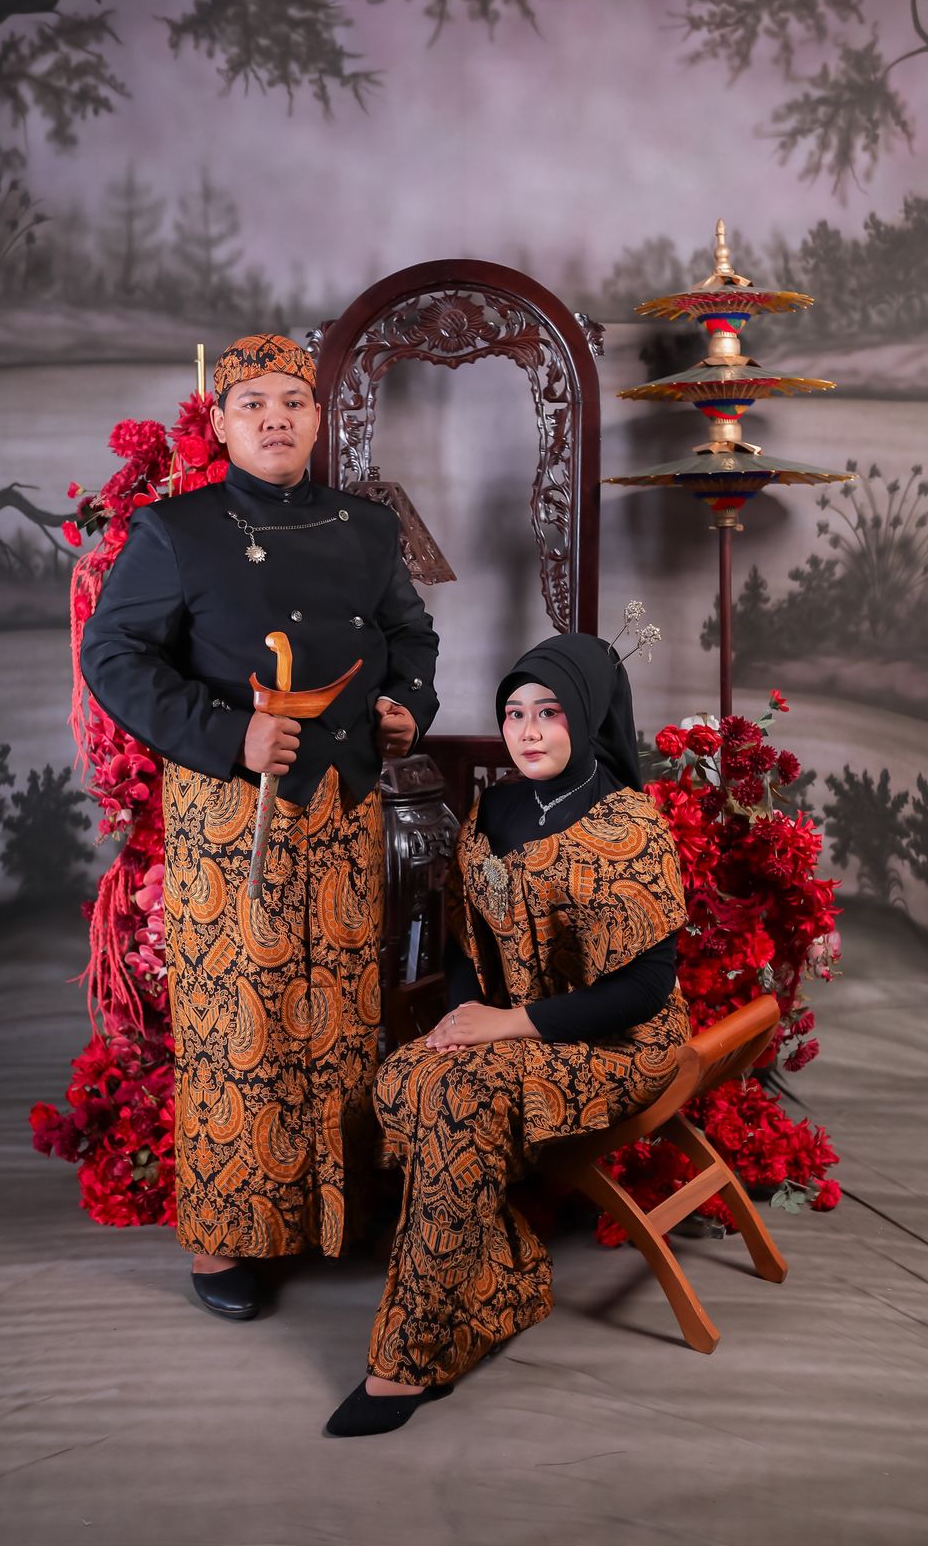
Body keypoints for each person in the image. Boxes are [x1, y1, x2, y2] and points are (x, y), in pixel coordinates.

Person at [81, 334, 439, 1319]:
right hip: (234, 811)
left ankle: (334, 1213)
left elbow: (410, 634)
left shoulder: (368, 525)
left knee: (343, 1009)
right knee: (240, 1022)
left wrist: (407, 702)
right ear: (222, 420)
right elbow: (113, 655)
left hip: (344, 803)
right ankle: (225, 1239)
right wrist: (225, 734)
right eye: (254, 403)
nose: (276, 417)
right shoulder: (176, 530)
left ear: (317, 418)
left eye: (293, 401)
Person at [326, 633, 687, 1436]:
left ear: (586, 715)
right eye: (514, 713)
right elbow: (465, 942)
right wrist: (466, 1022)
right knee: (401, 1080)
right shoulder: (496, 809)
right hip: (509, 1028)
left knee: (456, 1102)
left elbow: (644, 990)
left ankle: (407, 1360)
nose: (527, 732)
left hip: (616, 1042)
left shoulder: (631, 827)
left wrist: (505, 1028)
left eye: (548, 713)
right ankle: (507, 1284)